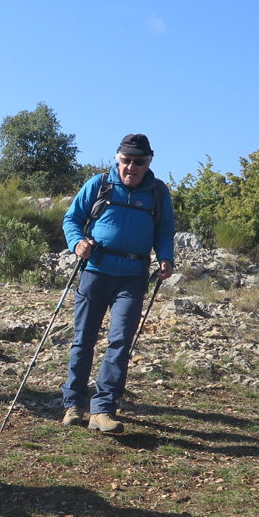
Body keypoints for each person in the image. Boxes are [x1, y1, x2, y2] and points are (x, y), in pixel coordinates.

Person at [60, 133, 175, 434]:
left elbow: (164, 232)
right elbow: (72, 220)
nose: (131, 167)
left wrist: (166, 258)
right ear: (117, 158)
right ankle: (74, 404)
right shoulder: (99, 185)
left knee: (121, 340)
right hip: (95, 271)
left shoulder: (158, 192)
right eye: (126, 160)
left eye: (139, 162)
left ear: (149, 162)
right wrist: (77, 243)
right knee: (83, 338)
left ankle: (103, 409)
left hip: (133, 276)